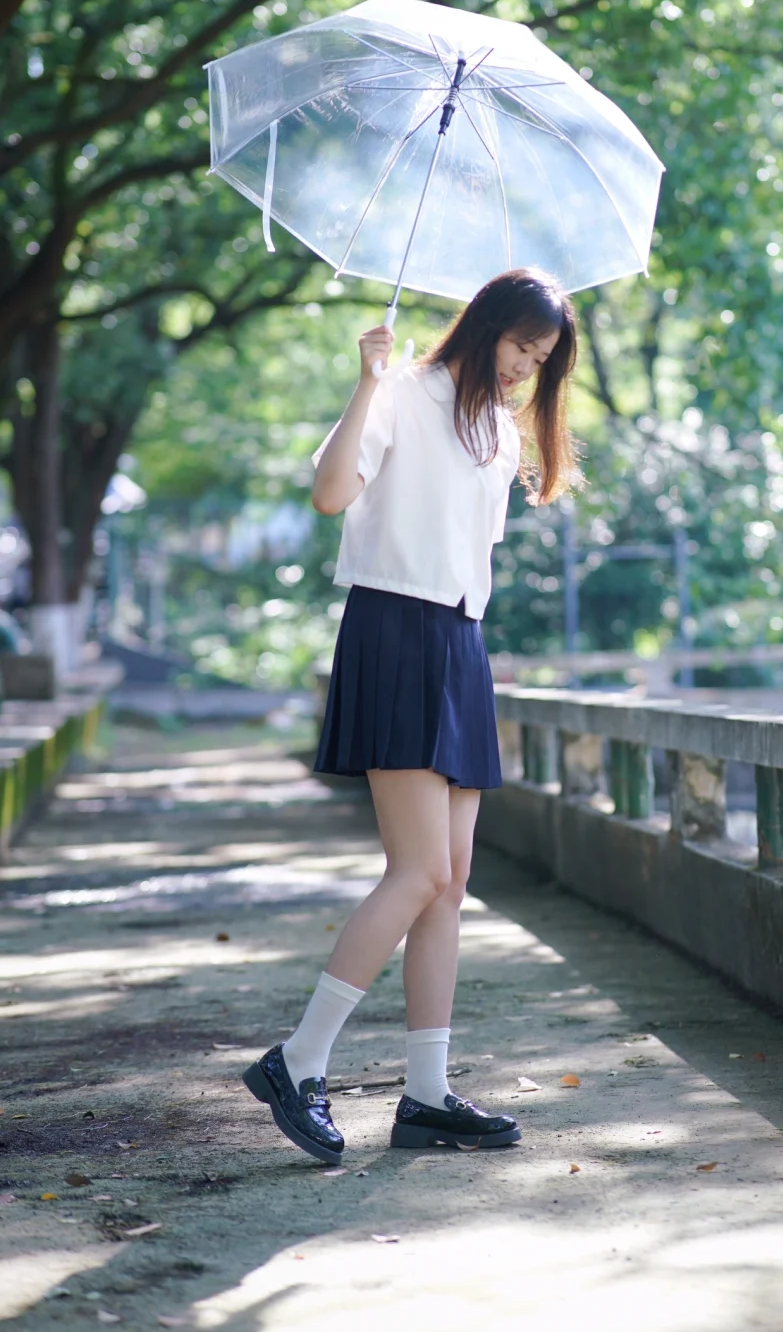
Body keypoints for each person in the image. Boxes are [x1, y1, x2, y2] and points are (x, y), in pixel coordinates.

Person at [243, 268, 579, 1159]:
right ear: (486, 327)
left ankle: (426, 1095)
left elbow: (468, 552)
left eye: (539, 362)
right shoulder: (400, 391)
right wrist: (365, 383)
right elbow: (328, 495)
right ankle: (298, 1058)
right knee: (419, 869)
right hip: (393, 626)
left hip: (461, 642)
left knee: (451, 883)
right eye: (520, 348)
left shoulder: (499, 434)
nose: (523, 371)